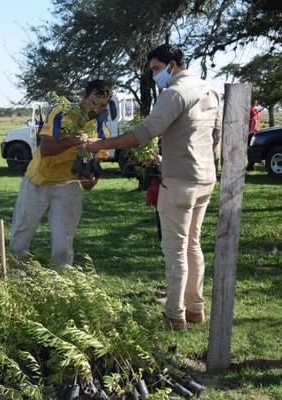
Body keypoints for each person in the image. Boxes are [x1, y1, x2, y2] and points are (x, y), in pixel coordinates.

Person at [87, 45, 221, 331]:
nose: (154, 74)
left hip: (180, 182)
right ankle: (196, 309)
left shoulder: (174, 93)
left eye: (156, 68)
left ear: (172, 65)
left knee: (175, 249)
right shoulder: (210, 90)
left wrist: (99, 145)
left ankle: (175, 315)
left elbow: (143, 133)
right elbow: (214, 136)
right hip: (206, 178)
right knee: (193, 245)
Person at [9, 80, 112, 266]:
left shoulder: (102, 132)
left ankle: (62, 279)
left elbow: (88, 185)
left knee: (64, 241)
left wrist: (90, 175)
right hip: (38, 181)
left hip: (68, 186)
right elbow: (46, 148)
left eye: (103, 105)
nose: (96, 109)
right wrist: (73, 141)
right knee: (22, 232)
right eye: (93, 102)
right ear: (83, 96)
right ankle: (14, 274)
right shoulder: (60, 112)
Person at [246, 101, 260, 171]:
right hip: (255, 132)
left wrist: (250, 131)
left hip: (252, 132)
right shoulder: (256, 110)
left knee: (249, 149)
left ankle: (250, 166)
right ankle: (251, 165)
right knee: (251, 148)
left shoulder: (252, 110)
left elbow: (254, 120)